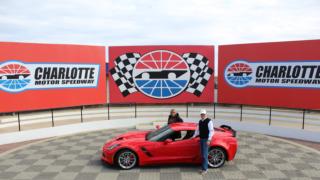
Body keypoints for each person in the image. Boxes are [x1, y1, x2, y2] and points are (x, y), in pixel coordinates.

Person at [192, 109, 214, 175]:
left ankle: (205, 169)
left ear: (206, 114)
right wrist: (193, 136)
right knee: (202, 154)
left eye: (203, 114)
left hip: (206, 139)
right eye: (201, 114)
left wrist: (209, 140)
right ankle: (203, 168)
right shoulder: (200, 121)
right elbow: (197, 130)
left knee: (204, 155)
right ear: (200, 115)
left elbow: (211, 131)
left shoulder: (209, 121)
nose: (202, 115)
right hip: (201, 139)